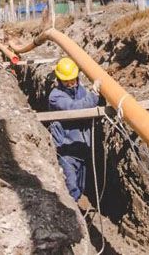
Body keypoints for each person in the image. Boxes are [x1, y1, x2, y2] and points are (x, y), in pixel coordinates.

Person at [48, 57, 100, 211]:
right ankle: (70, 215)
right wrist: (93, 95)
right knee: (71, 187)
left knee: (81, 185)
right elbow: (75, 108)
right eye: (66, 81)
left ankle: (76, 209)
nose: (71, 84)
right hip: (66, 149)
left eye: (73, 80)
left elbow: (88, 100)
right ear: (59, 80)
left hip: (82, 147)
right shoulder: (55, 96)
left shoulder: (81, 90)